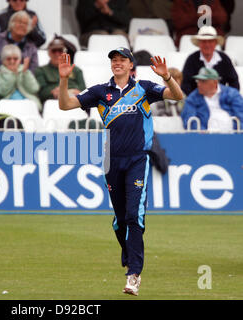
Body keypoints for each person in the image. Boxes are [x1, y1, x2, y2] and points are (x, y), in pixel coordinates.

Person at [57, 47, 183, 296]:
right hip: (111, 160)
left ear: (130, 65)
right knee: (120, 220)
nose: (117, 63)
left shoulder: (144, 88)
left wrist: (167, 77)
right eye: (114, 60)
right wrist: (64, 80)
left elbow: (177, 97)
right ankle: (127, 251)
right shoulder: (99, 92)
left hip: (138, 159)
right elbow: (65, 105)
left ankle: (134, 274)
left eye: (122, 60)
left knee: (135, 215)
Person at [181, 25, 239, 96]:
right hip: (197, 101)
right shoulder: (191, 59)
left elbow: (234, 82)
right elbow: (185, 84)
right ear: (199, 43)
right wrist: (195, 100)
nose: (207, 44)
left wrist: (229, 98)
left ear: (215, 43)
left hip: (221, 100)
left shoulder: (224, 59)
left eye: (210, 41)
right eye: (204, 41)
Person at [181, 67, 243, 132]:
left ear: (215, 82)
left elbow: (241, 116)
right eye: (198, 81)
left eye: (203, 81)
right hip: (205, 138)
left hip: (232, 136)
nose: (199, 84)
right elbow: (189, 120)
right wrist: (203, 133)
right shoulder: (192, 99)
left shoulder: (232, 94)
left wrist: (236, 134)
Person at [35, 38, 86, 104]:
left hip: (74, 102)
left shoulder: (76, 69)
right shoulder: (41, 70)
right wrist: (53, 92)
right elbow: (41, 93)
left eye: (60, 50)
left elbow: (84, 91)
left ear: (65, 52)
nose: (57, 53)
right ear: (49, 53)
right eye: (54, 50)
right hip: (53, 103)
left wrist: (65, 91)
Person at [0, 44, 41, 112]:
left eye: (15, 59)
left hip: (27, 103)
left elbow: (34, 89)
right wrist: (11, 75)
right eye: (8, 59)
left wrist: (25, 73)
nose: (12, 61)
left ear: (19, 60)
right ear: (3, 60)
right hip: (7, 105)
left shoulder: (25, 71)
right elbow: (2, 91)